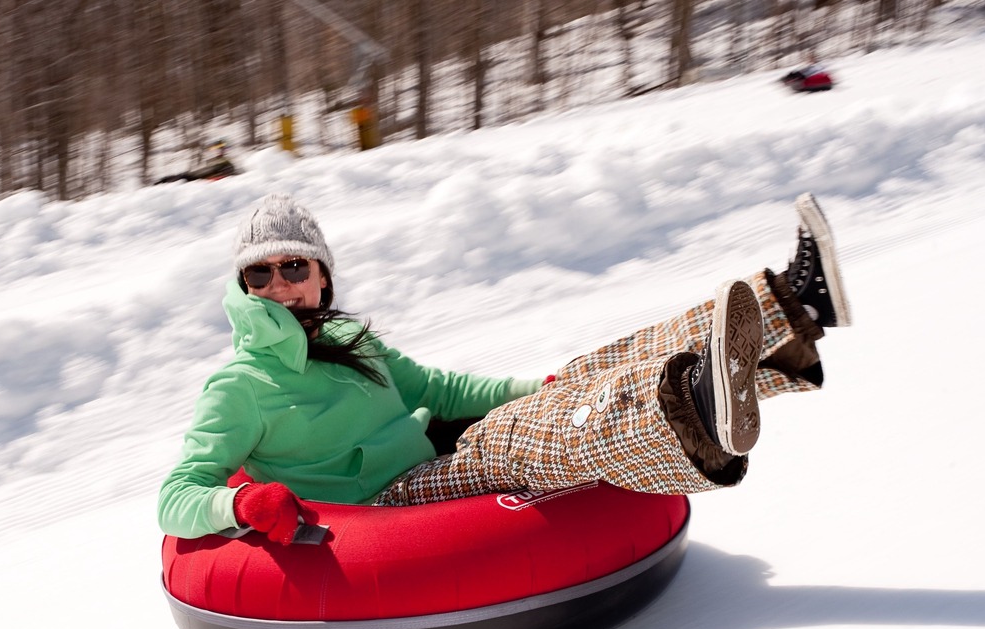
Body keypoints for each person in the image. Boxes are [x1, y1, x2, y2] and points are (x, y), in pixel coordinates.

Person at [158, 192, 851, 544]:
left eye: (294, 266)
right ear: (243, 286)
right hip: (386, 507)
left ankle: (793, 305)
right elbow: (176, 496)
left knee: (584, 375)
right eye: (261, 273)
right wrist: (241, 503)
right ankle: (698, 403)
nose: (280, 285)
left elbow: (439, 389)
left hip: (431, 454)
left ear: (321, 276)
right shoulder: (239, 387)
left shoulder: (344, 338)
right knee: (522, 439)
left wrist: (540, 386)